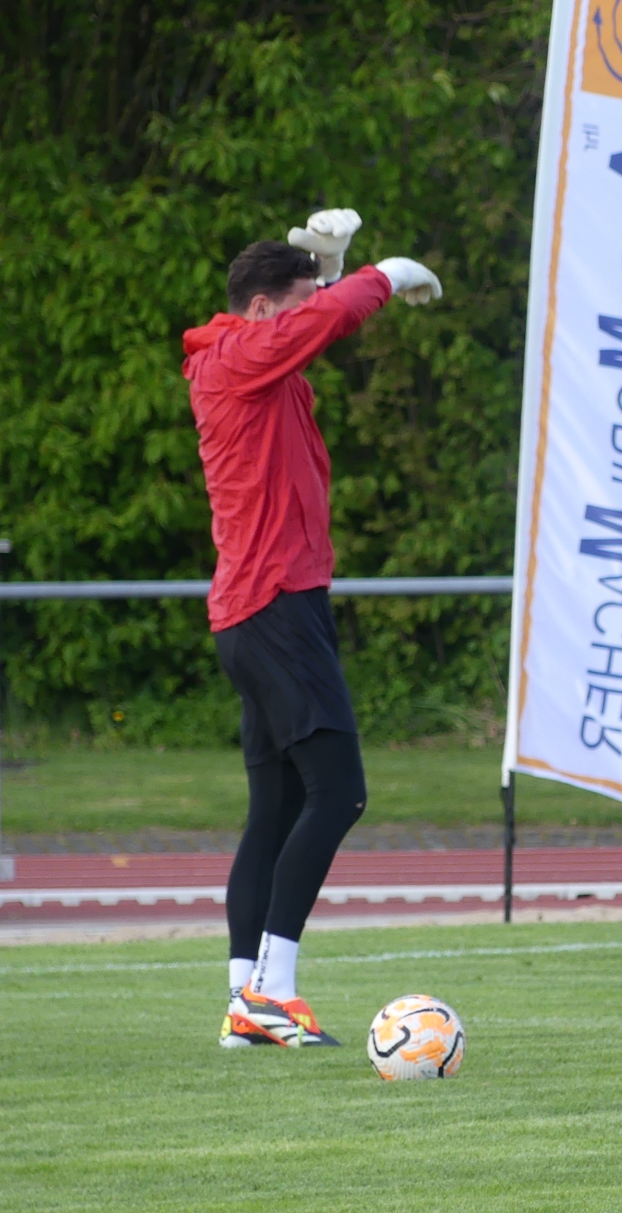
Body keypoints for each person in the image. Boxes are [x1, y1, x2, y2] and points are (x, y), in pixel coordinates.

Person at [183, 210, 443, 1049]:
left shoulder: (253, 363)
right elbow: (318, 321)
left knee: (276, 808)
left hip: (258, 611)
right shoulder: (236, 357)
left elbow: (313, 321)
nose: (310, 315)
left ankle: (244, 1003)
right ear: (262, 309)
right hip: (275, 607)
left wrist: (329, 269)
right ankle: (272, 993)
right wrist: (385, 274)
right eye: (296, 303)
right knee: (339, 793)